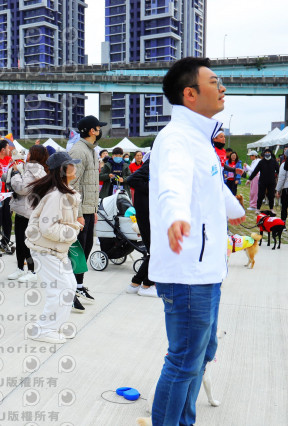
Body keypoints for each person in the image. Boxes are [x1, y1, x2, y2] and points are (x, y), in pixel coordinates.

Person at [146, 57, 245, 426]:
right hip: (187, 270)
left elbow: (214, 186)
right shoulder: (177, 138)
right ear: (190, 94)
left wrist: (235, 209)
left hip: (207, 270)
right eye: (214, 82)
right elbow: (172, 184)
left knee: (201, 354)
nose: (222, 88)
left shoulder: (200, 139)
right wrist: (176, 216)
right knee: (185, 359)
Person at [25, 152, 83, 343]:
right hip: (45, 249)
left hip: (56, 250)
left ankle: (55, 326)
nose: (75, 167)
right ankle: (43, 329)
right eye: (71, 164)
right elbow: (47, 227)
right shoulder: (56, 196)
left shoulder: (65, 192)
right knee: (60, 289)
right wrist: (73, 230)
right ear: (63, 170)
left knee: (69, 286)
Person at [68, 115, 106, 312]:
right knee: (77, 251)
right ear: (92, 130)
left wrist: (94, 210)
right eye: (99, 128)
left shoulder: (91, 150)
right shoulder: (78, 150)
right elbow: (72, 184)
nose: (100, 131)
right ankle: (70, 290)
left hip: (89, 209)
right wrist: (78, 213)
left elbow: (90, 184)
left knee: (86, 248)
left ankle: (79, 285)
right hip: (80, 211)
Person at [8, 144, 48, 282]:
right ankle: (20, 268)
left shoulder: (33, 170)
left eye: (29, 153)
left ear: (34, 155)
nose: (26, 155)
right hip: (24, 210)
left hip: (28, 212)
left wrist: (15, 174)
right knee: (20, 242)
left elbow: (22, 188)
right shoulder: (35, 169)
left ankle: (32, 270)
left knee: (27, 243)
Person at [124, 152, 156, 297]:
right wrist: (153, 189)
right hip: (147, 215)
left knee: (154, 251)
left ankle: (136, 283)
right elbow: (132, 179)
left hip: (149, 214)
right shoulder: (153, 163)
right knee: (156, 251)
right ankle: (147, 285)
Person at [0, 138, 14, 256]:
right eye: (7, 147)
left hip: (7, 195)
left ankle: (4, 243)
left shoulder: (9, 160)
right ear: (2, 149)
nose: (9, 150)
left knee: (8, 221)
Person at [276, 156, 288, 222]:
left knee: (284, 207)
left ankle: (283, 223)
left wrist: (278, 190)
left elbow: (281, 178)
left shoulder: (284, 165)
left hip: (286, 188)